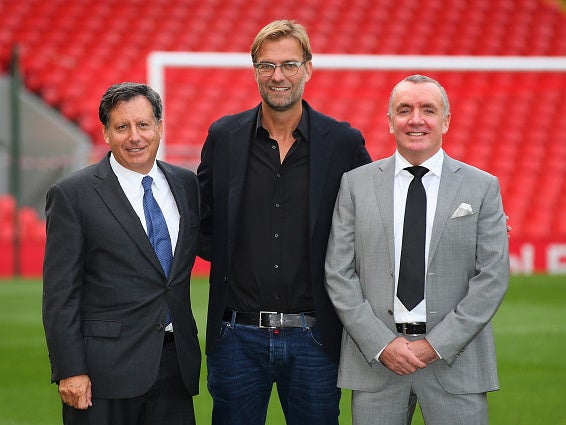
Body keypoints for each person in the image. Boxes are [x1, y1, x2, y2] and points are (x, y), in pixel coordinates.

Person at [197, 19, 372, 425]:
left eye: (290, 65)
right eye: (267, 66)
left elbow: (378, 214)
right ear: (255, 69)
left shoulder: (342, 142)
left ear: (308, 68)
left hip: (314, 336)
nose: (278, 76)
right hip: (237, 336)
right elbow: (200, 220)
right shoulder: (224, 137)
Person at [324, 74, 509, 425]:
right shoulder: (355, 184)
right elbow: (338, 272)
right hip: (377, 363)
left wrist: (436, 345)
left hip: (456, 361)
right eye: (404, 109)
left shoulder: (482, 187)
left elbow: (492, 278)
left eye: (428, 109)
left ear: (446, 120)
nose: (416, 119)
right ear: (390, 120)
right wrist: (381, 343)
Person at [42, 82, 201, 425]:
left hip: (176, 366)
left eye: (143, 125)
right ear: (106, 133)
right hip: (104, 375)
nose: (135, 137)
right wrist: (70, 369)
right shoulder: (73, 195)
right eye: (122, 127)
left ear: (159, 126)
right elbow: (59, 294)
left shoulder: (186, 185)